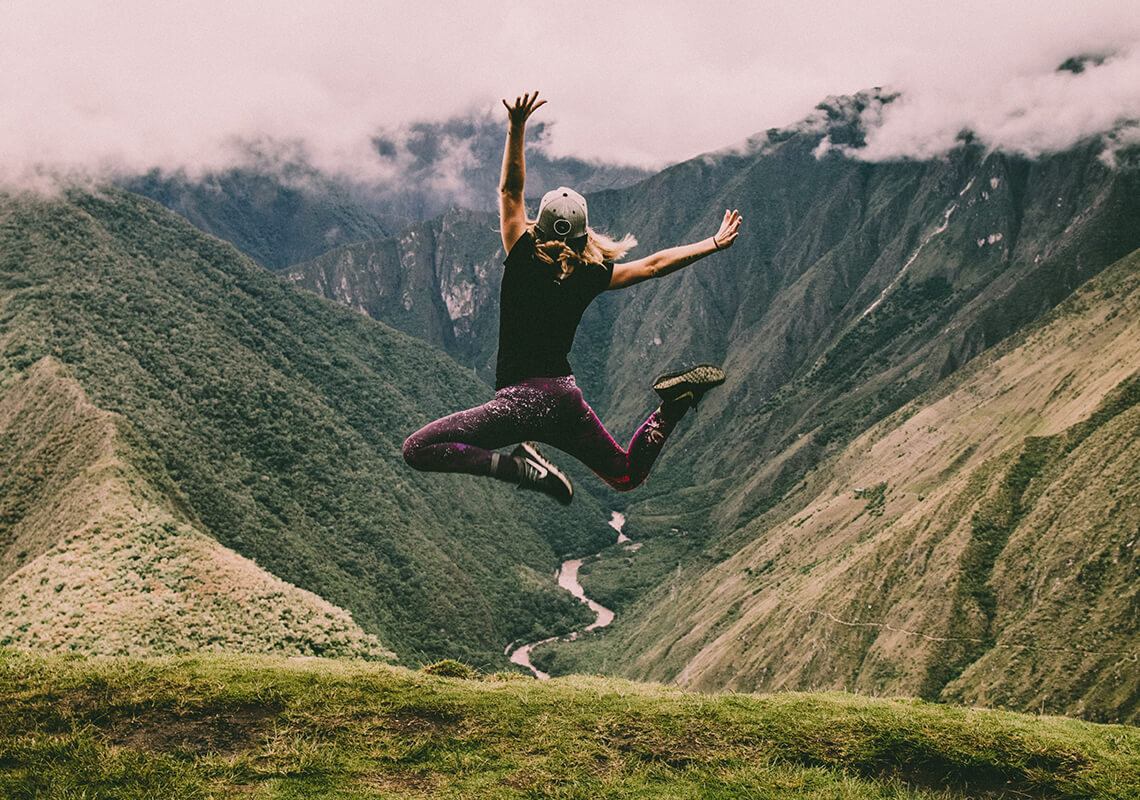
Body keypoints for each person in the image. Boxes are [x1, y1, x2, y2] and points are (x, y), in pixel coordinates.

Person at [403, 91, 742, 504]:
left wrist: (516, 126)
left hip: (519, 404)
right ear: (584, 234)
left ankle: (519, 469)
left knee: (417, 450)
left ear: (538, 225)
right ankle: (671, 407)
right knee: (625, 474)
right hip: (565, 399)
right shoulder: (590, 273)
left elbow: (511, 191)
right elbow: (653, 265)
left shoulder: (523, 254)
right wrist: (712, 243)